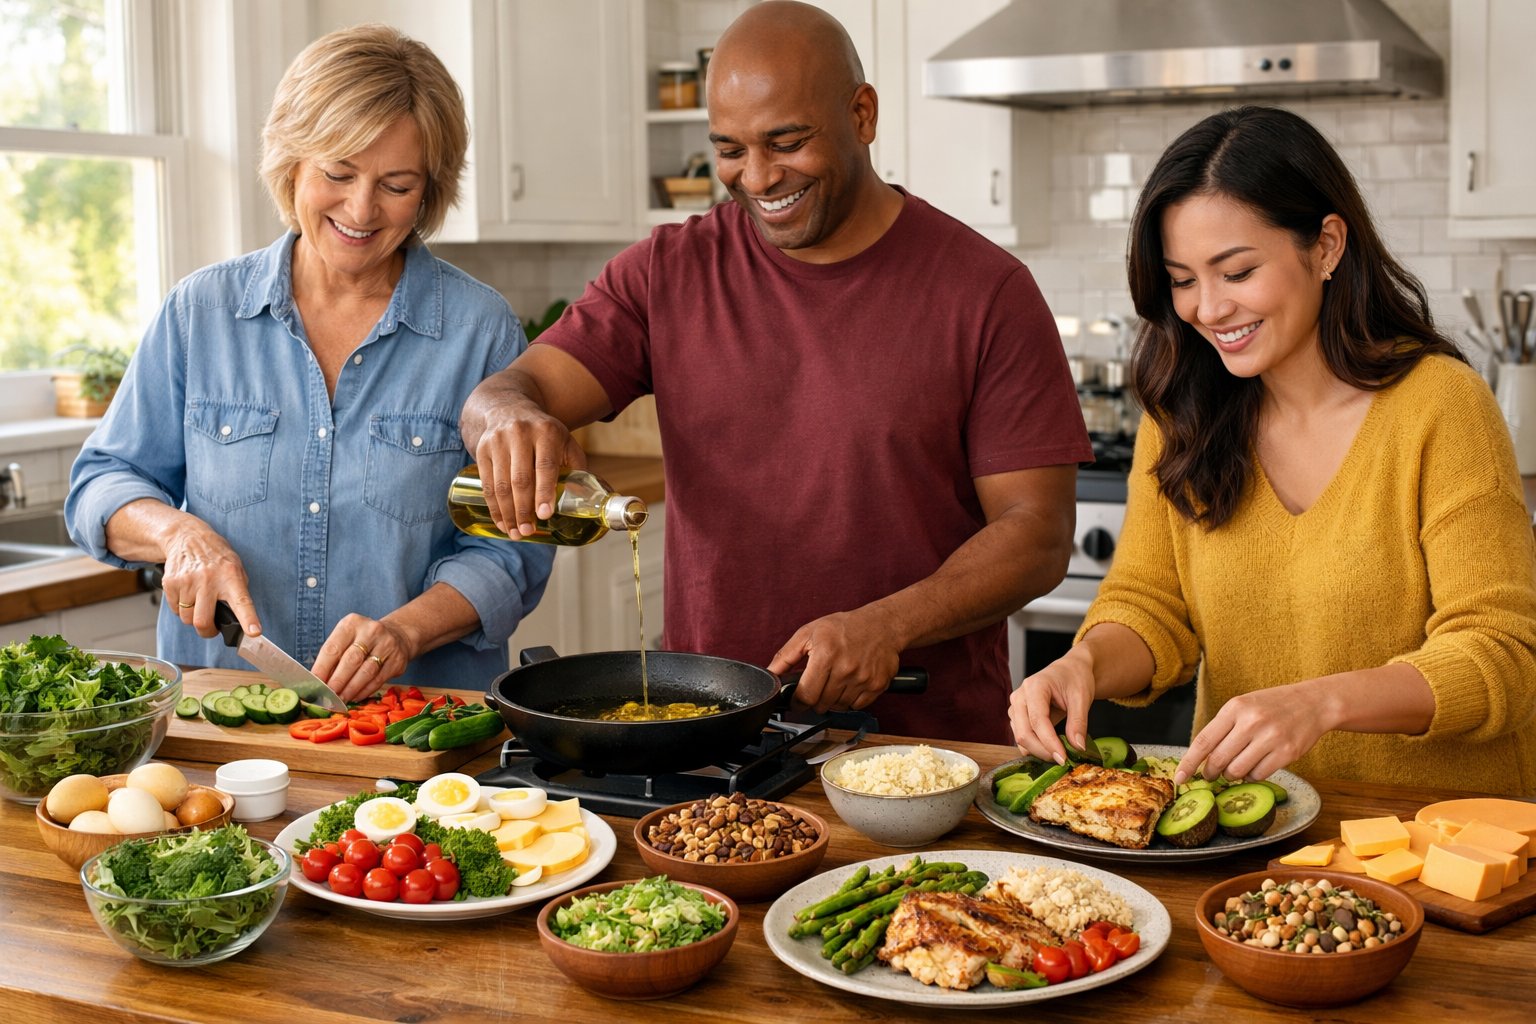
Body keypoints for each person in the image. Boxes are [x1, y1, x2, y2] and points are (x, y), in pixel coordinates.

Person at [458, 1, 1090, 744]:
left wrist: (887, 625)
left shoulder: (986, 291)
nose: (757, 177)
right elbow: (514, 389)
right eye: (729, 148)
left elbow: (1037, 534)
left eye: (786, 142)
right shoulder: (667, 272)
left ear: (862, 115)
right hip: (711, 738)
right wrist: (507, 416)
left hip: (925, 750)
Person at [1009, 106, 1536, 795]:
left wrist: (1320, 702)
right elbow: (1150, 608)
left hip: (1437, 844)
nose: (1207, 308)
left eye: (1236, 271)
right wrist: (1084, 664)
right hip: (1252, 844)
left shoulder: (1440, 406)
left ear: (1325, 246)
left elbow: (1502, 654)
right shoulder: (1180, 415)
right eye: (1182, 278)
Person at [66, 24, 553, 702]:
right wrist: (177, 534)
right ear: (291, 160)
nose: (361, 209)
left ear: (430, 190)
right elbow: (100, 484)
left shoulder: (480, 330)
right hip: (221, 722)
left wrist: (405, 633)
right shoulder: (201, 312)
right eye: (338, 172)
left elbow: (516, 549)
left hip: (412, 727)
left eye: (397, 184)